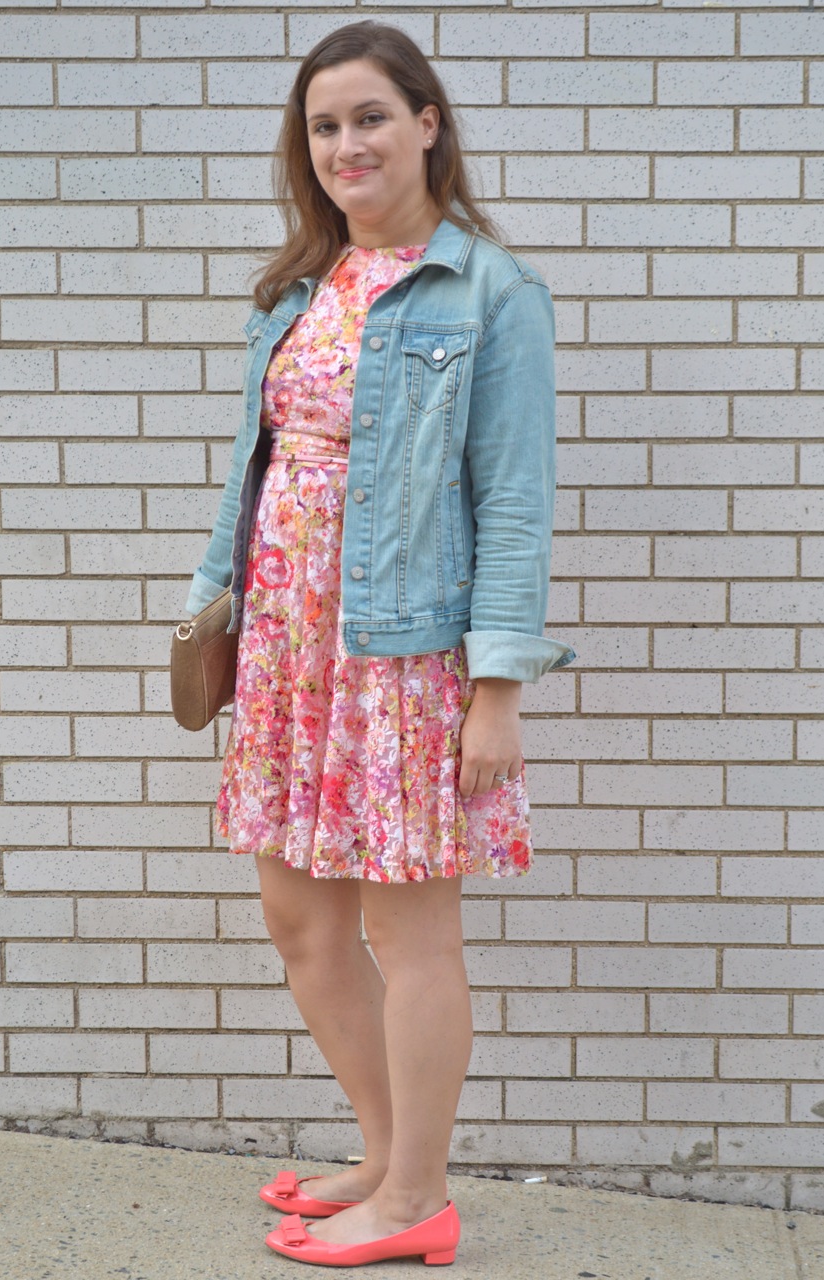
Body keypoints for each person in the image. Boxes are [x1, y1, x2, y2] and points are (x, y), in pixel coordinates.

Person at [185, 20, 573, 1269]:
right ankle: (379, 1146)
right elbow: (256, 474)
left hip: (403, 653)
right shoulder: (302, 285)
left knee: (413, 935)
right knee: (299, 916)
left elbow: (512, 499)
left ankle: (418, 1198)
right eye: (322, 124)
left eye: (368, 116)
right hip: (289, 651)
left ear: (426, 123)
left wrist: (497, 687)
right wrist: (216, 612)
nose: (345, 143)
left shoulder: (491, 293)